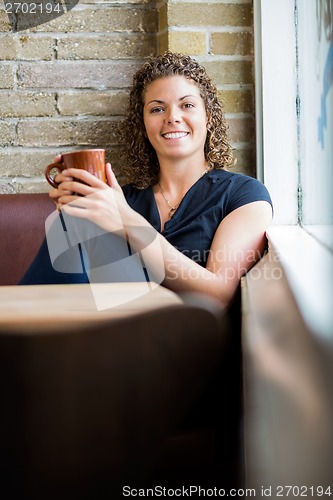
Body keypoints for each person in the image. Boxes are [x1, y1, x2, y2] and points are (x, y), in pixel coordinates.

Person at [21, 52, 273, 308]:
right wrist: (79, 210)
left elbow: (218, 294)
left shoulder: (243, 195)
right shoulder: (123, 199)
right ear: (143, 124)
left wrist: (126, 220)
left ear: (208, 117)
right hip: (105, 326)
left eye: (187, 105)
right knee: (73, 221)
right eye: (157, 108)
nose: (172, 117)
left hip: (180, 331)